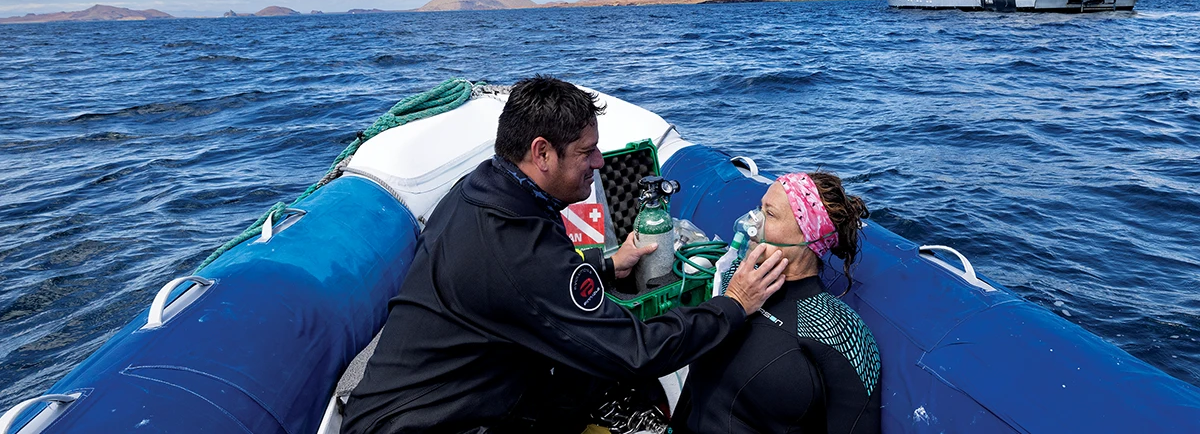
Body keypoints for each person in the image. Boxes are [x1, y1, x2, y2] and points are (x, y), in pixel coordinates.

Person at [341, 76, 788, 434]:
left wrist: (607, 265)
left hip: (421, 397)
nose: (598, 162)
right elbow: (636, 349)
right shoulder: (517, 246)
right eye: (586, 152)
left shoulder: (486, 189)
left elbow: (525, 288)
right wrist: (733, 304)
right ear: (542, 154)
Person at [671, 172, 882, 434]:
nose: (752, 220)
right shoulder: (734, 285)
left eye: (769, 214)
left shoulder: (839, 330)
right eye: (759, 208)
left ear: (809, 236)